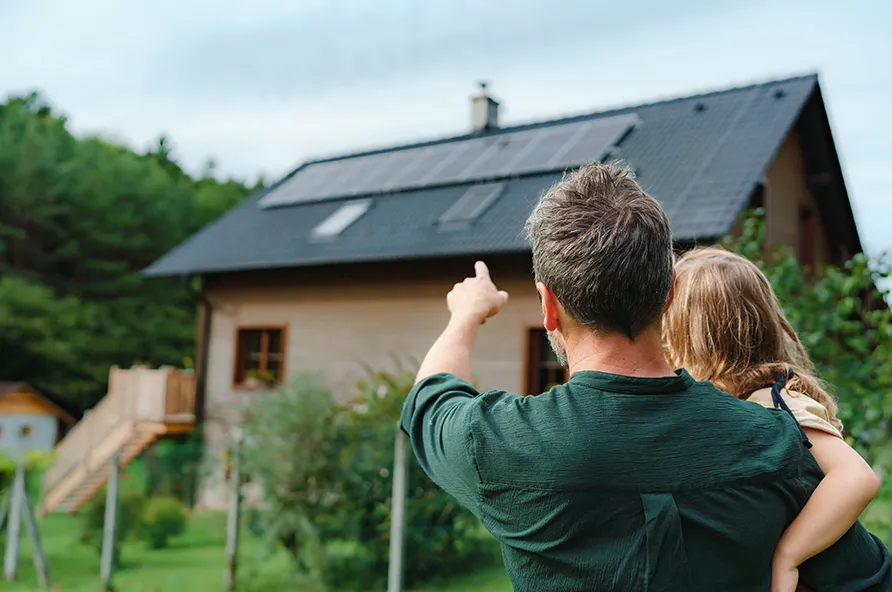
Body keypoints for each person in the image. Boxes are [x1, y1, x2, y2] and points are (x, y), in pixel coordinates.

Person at [400, 161, 891, 591]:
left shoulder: (499, 442)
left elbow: (430, 395)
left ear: (549, 306)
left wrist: (466, 314)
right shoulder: (773, 443)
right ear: (669, 293)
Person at [663, 246, 882, 592]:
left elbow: (857, 477)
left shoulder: (777, 401)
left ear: (697, 340)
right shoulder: (735, 405)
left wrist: (788, 554)